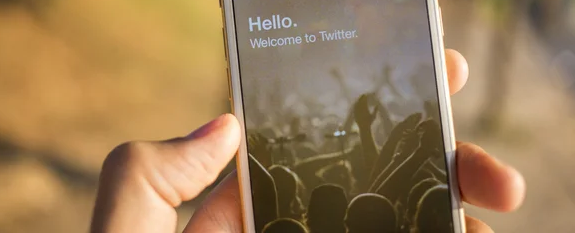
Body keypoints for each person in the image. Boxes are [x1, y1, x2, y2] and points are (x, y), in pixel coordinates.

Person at [89, 50, 526, 233]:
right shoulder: (386, 199)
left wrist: (253, 153)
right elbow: (378, 184)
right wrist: (399, 146)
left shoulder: (286, 215)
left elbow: (373, 186)